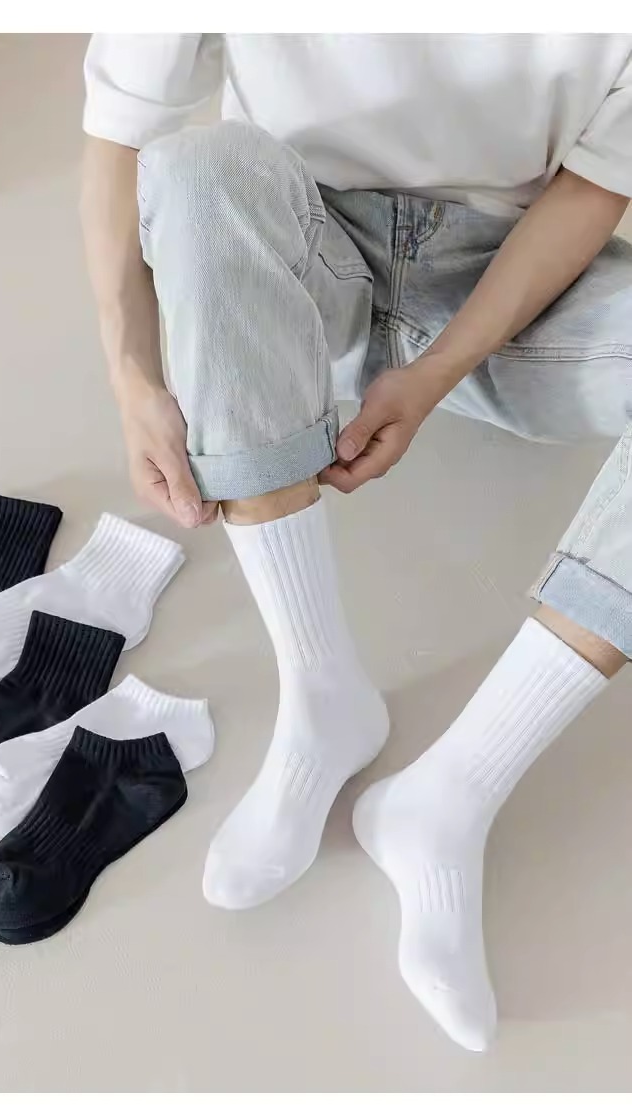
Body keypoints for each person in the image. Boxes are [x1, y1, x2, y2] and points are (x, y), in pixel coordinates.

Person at [79, 33, 632, 1050]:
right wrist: (132, 378)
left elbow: (597, 183)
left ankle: (450, 794)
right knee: (199, 169)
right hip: (298, 260)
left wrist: (434, 372)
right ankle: (321, 695)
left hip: (517, 289)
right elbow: (123, 126)